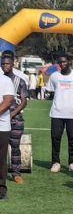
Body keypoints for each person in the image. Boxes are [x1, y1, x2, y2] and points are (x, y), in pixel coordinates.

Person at [45, 54, 73, 173]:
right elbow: (51, 92)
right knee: (55, 138)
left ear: (70, 61)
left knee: (72, 139)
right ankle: (56, 162)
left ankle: (72, 163)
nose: (62, 64)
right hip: (57, 113)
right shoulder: (54, 76)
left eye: (64, 61)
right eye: (60, 62)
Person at [1, 55, 27, 184]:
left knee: (15, 147)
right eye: (3, 64)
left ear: (13, 64)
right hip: (1, 119)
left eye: (8, 64)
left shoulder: (19, 81)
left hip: (15, 119)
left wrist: (12, 114)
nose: (6, 66)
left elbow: (23, 101)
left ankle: (16, 173)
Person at [0, 70, 14, 199]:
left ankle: (1, 190)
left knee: (1, 159)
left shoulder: (5, 80)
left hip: (1, 126)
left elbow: (8, 101)